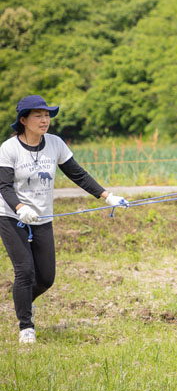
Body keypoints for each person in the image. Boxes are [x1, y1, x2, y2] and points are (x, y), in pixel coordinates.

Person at [0, 95, 128, 345]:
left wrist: (107, 196)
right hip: (11, 216)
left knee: (46, 277)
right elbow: (3, 186)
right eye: (38, 115)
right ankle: (26, 326)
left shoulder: (55, 144)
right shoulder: (9, 148)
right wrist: (19, 206)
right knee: (25, 271)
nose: (44, 120)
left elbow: (77, 174)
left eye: (47, 115)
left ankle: (23, 302)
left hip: (42, 217)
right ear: (23, 120)